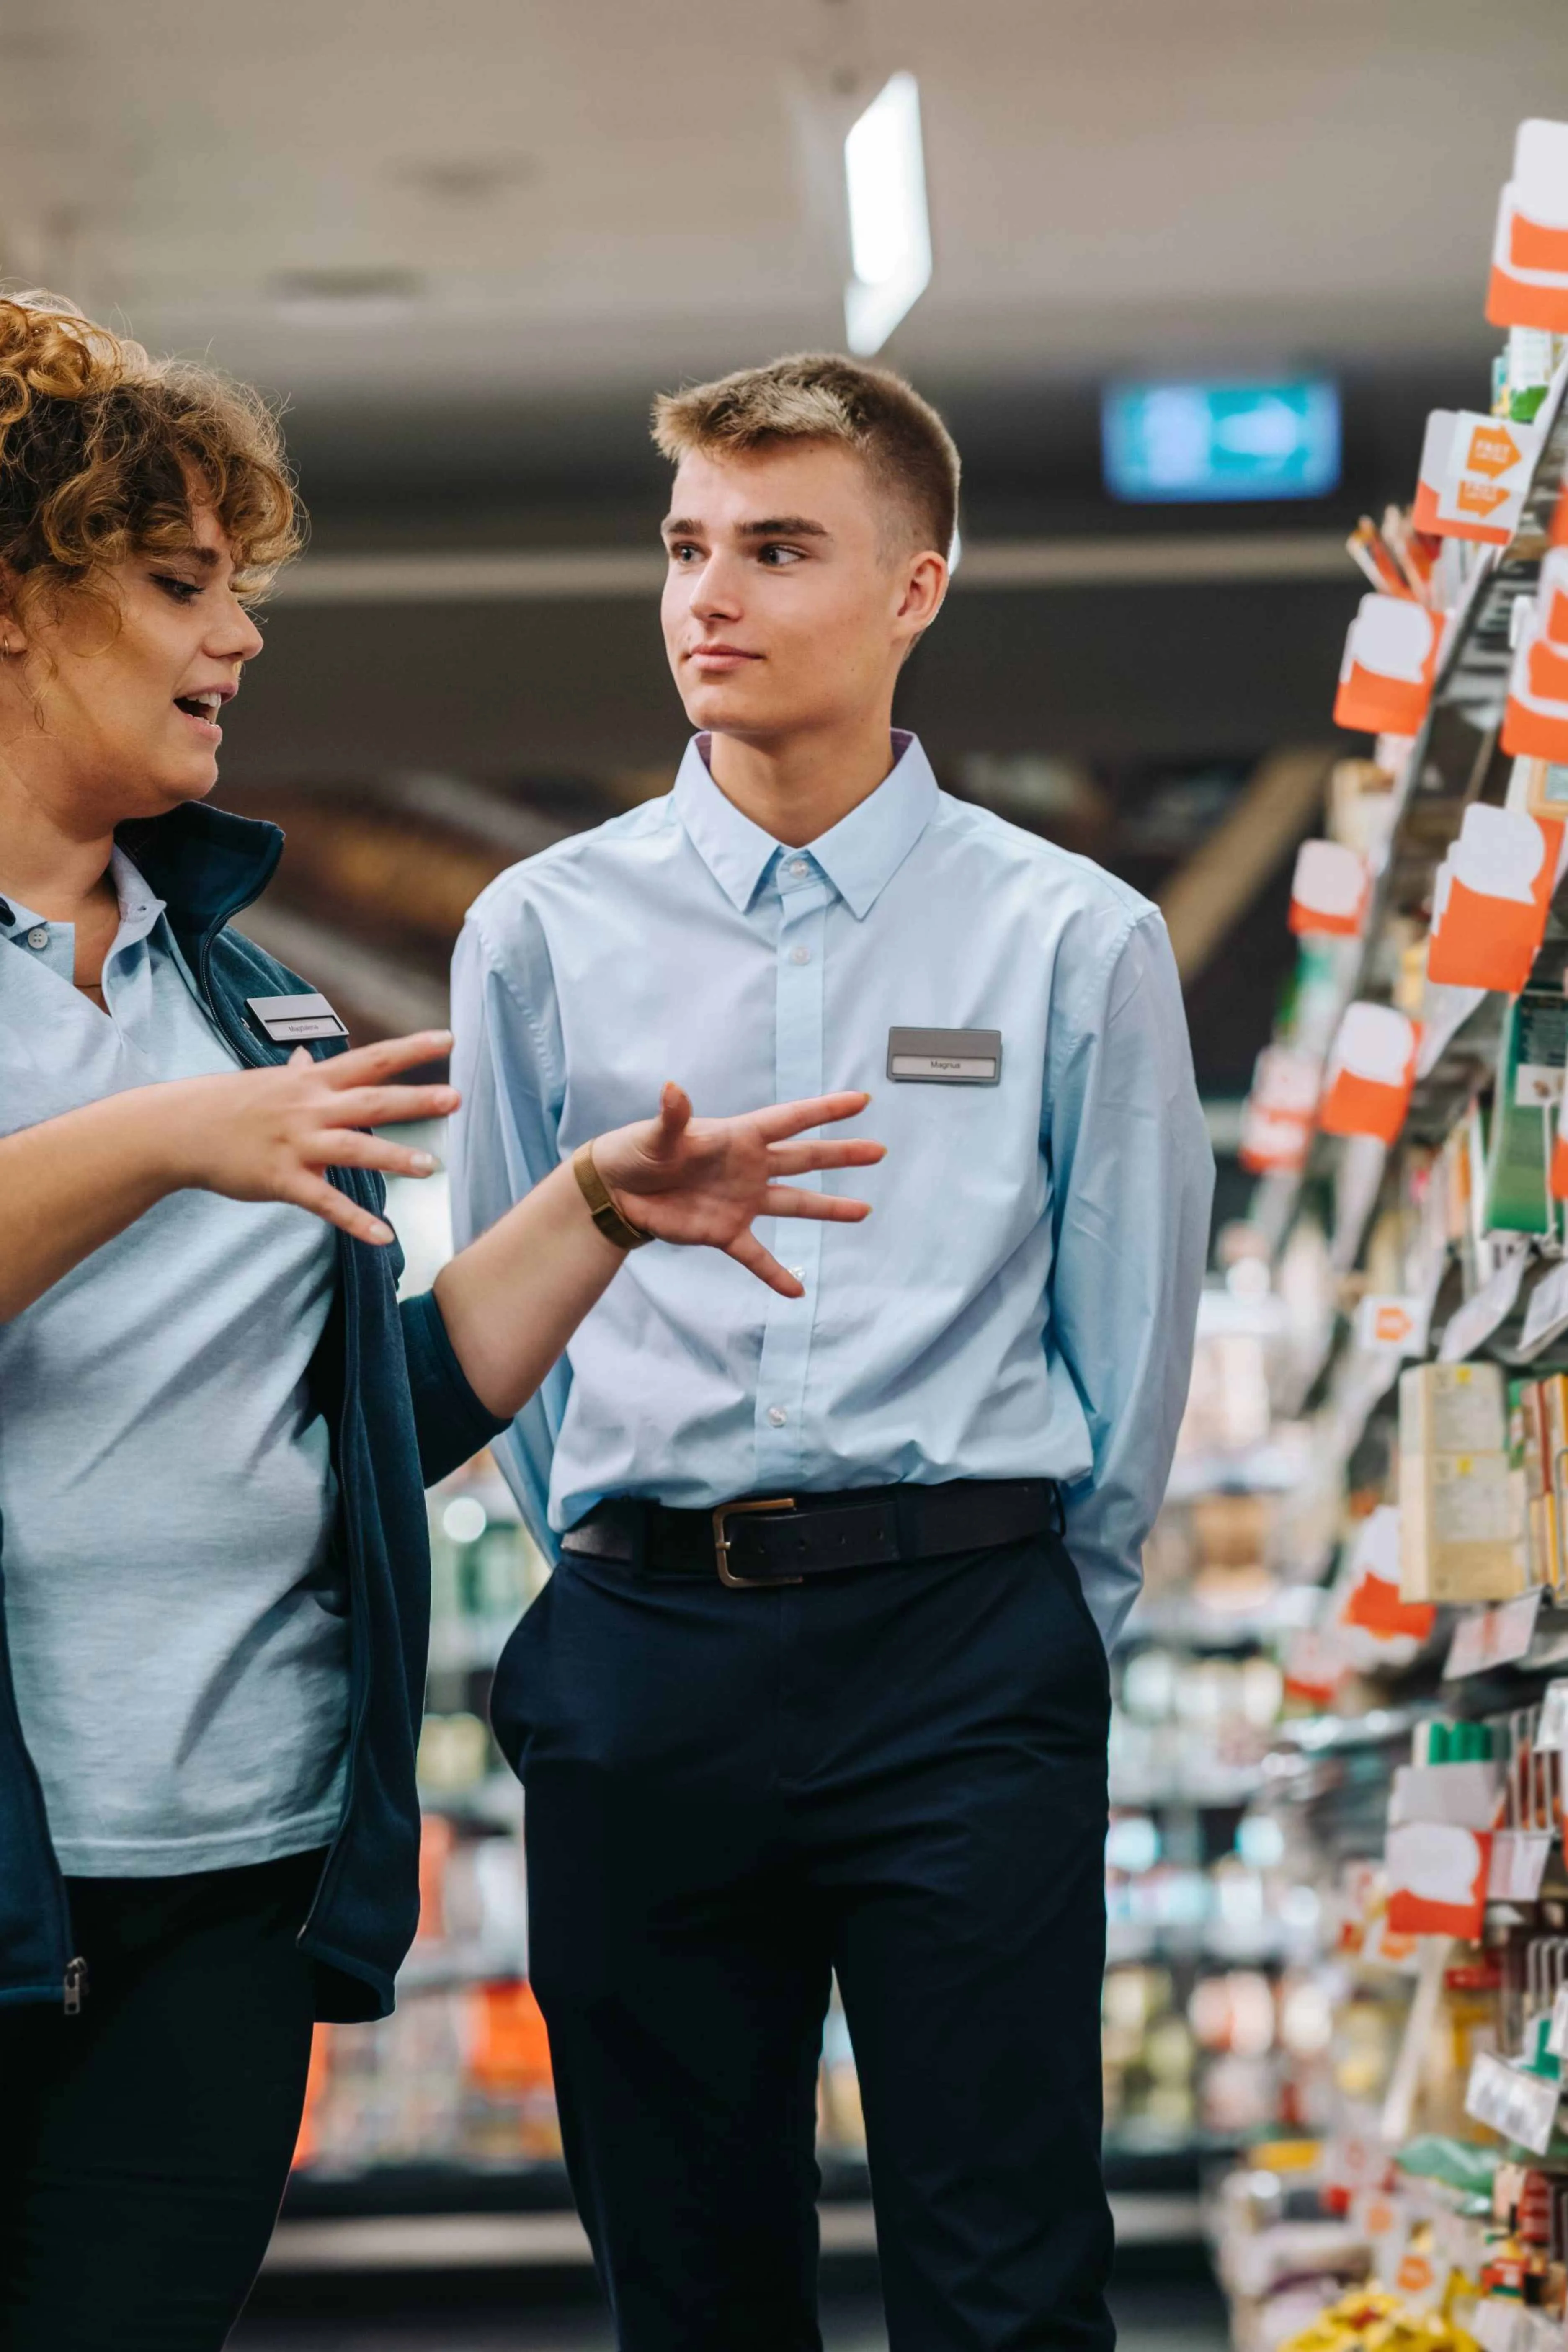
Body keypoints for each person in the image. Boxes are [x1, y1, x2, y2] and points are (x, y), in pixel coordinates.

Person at [0, 295, 885, 2352]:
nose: (237, 640)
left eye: (245, 592)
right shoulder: (206, 1083)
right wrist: (155, 1145)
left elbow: (367, 1414)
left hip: (234, 1877)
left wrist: (596, 1213)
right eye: (179, 583)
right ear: (21, 607)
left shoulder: (242, 1005)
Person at [450, 352, 1214, 2351]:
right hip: (644, 1656)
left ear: (915, 590)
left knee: (1010, 2273)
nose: (713, 595)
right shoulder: (541, 931)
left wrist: (1044, 1627)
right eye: (690, 546)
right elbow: (497, 1326)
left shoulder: (1072, 938)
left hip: (964, 1649)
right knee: (689, 2288)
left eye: (780, 548)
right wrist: (619, 1585)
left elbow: (1128, 1343)